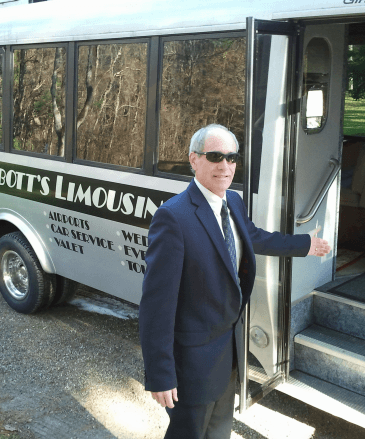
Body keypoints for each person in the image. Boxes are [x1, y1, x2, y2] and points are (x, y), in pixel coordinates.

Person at [139, 124, 331, 439]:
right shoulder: (173, 218)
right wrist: (160, 374)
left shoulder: (234, 202)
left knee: (219, 431)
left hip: (228, 355)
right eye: (215, 157)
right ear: (194, 159)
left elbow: (253, 237)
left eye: (231, 158)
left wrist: (304, 245)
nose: (225, 166)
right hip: (193, 363)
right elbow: (157, 305)